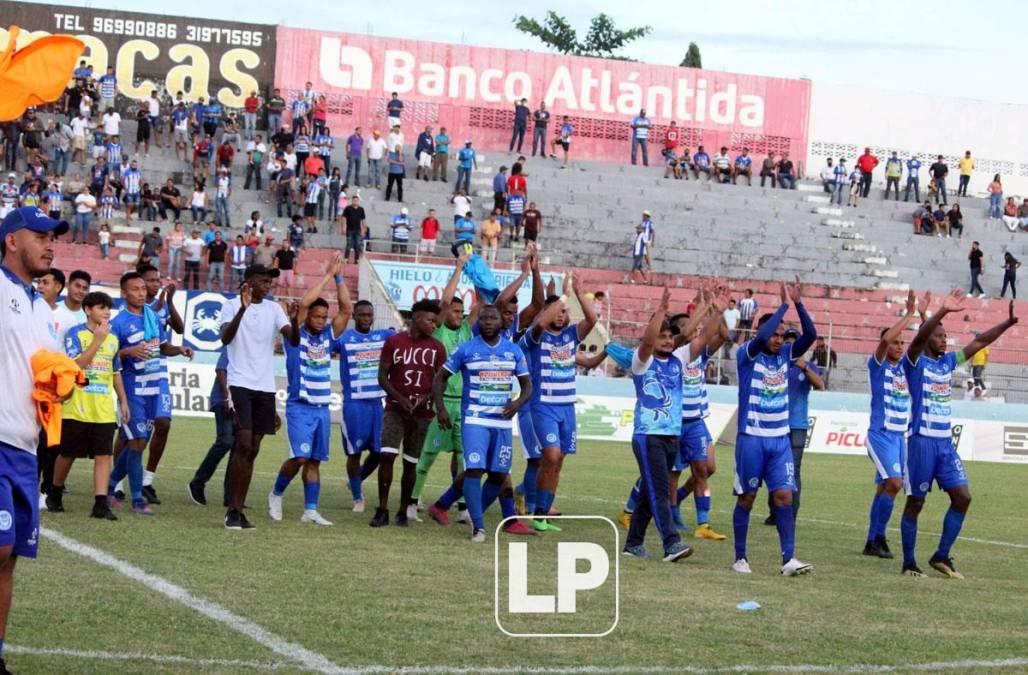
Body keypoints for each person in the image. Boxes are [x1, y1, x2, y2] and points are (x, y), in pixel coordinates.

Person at [900, 289, 1017, 577]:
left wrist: (1007, 324)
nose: (945, 340)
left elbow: (978, 342)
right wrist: (940, 311)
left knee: (963, 498)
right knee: (916, 502)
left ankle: (941, 556)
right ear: (928, 339)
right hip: (921, 443)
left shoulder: (947, 362)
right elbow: (917, 339)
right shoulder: (914, 361)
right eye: (939, 336)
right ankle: (909, 562)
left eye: (945, 336)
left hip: (944, 444)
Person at [0, 206, 70, 673]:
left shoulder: (40, 307)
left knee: (9, 561)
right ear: (11, 241)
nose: (50, 244)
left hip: (27, 446)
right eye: (40, 235)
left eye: (53, 237)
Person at [428, 303, 533, 543]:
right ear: (478, 322)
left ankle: (451, 508)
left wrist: (516, 404)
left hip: (503, 422)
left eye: (492, 318)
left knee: (498, 475)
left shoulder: (513, 351)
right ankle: (479, 527)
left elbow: (528, 386)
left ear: (501, 322)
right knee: (474, 469)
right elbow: (440, 378)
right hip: (475, 419)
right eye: (483, 318)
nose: (487, 322)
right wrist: (441, 408)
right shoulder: (466, 349)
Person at [731, 277, 816, 577]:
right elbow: (765, 331)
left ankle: (788, 559)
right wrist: (780, 306)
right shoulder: (747, 356)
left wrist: (798, 304)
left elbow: (812, 334)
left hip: (780, 441)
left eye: (783, 335)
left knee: (784, 497)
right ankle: (740, 557)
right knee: (748, 497)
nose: (779, 339)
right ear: (761, 334)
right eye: (775, 334)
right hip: (751, 438)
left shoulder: (785, 356)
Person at [268, 255, 350, 526]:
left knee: (314, 460)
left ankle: (310, 510)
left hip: (322, 408)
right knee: (300, 457)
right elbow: (303, 304)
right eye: (316, 316)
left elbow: (346, 311)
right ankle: (276, 493)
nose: (320, 320)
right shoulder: (295, 336)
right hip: (299, 405)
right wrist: (326, 275)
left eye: (323, 316)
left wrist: (339, 277)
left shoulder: (328, 336)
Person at [619, 288, 695, 561]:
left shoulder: (677, 361)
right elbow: (647, 343)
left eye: (669, 336)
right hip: (648, 435)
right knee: (660, 490)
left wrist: (713, 309)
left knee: (651, 493)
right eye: (661, 336)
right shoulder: (642, 362)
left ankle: (633, 544)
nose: (666, 340)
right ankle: (671, 543)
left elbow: (696, 336)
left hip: (671, 436)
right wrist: (661, 310)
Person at [108, 272, 193, 515]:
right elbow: (108, 353)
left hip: (154, 386)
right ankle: (137, 499)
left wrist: (180, 349)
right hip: (133, 388)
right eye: (135, 289)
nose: (141, 293)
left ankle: (110, 485)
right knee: (136, 442)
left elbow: (162, 346)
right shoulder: (119, 322)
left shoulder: (152, 316)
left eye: (143, 288)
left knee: (140, 443)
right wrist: (128, 351)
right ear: (124, 293)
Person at [521, 275, 597, 531]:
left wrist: (577, 291)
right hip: (543, 405)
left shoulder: (570, 337)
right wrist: (562, 296)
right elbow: (541, 321)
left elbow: (592, 321)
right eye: (558, 311)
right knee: (550, 456)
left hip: (567, 408)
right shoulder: (536, 337)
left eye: (565, 312)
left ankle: (541, 515)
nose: (562, 315)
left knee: (558, 461)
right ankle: (535, 509)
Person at [219, 265, 290, 529]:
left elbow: (291, 338)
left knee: (254, 449)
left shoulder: (274, 309)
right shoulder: (230, 305)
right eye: (263, 281)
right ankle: (232, 510)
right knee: (245, 444)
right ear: (248, 282)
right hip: (239, 383)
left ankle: (238, 509)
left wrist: (296, 319)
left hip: (265, 386)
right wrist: (243, 308)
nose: (267, 285)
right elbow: (226, 338)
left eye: (270, 282)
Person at [47, 290, 127, 519]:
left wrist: (123, 401)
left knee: (104, 455)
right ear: (88, 310)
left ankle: (100, 504)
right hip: (77, 405)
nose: (106, 312)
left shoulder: (113, 339)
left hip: (103, 408)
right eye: (102, 308)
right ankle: (55, 491)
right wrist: (97, 340)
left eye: (108, 308)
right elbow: (78, 364)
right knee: (68, 453)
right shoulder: (75, 334)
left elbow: (115, 372)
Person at [371, 299, 447, 527]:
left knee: (410, 463)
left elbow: (441, 381)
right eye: (431, 320)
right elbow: (382, 376)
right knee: (387, 456)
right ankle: (382, 509)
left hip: (422, 414)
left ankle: (403, 511)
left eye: (436, 321)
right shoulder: (394, 342)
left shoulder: (437, 348)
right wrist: (400, 398)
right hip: (395, 409)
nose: (435, 325)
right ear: (416, 318)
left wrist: (428, 398)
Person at [862, 290, 918, 559]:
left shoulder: (904, 369)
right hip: (881, 434)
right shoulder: (878, 366)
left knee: (886, 487)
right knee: (894, 484)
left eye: (902, 342)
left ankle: (872, 540)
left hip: (900, 436)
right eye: (896, 342)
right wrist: (909, 314)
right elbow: (885, 339)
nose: (899, 346)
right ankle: (880, 537)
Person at [763, 327, 824, 525]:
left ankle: (791, 515)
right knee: (772, 469)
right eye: (786, 341)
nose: (789, 345)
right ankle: (775, 512)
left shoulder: (808, 366)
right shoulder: (777, 364)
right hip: (775, 424)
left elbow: (820, 385)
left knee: (793, 471)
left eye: (793, 342)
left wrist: (803, 367)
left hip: (797, 426)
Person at [337, 294, 393, 512]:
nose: (366, 319)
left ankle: (355, 481)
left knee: (379, 453)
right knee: (354, 453)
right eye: (362, 315)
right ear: (354, 317)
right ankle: (358, 498)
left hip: (377, 404)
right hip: (354, 404)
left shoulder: (385, 336)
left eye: (369, 315)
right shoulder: (344, 339)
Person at [187, 348, 233, 506]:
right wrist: (227, 397)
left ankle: (232, 495)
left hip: (245, 401)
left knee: (241, 447)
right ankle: (197, 482)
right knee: (226, 441)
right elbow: (221, 369)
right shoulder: (234, 340)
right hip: (224, 400)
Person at [52, 269, 90, 345]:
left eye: (84, 288)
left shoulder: (89, 316)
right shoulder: (53, 309)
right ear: (68, 285)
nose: (81, 291)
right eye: (77, 286)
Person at [341, 194, 366, 262]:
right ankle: (346, 258)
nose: (355, 202)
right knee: (348, 244)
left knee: (357, 245)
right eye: (354, 200)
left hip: (358, 230)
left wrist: (364, 229)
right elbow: (344, 218)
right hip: (349, 229)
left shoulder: (361, 209)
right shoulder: (348, 208)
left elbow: (363, 220)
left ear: (358, 201)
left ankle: (357, 259)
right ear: (352, 201)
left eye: (356, 200)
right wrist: (344, 227)